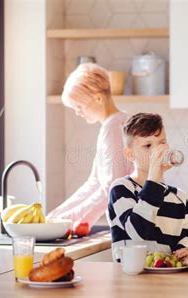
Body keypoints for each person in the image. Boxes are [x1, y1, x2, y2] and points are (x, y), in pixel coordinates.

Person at [47, 63, 133, 231]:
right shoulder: (116, 123)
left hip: (131, 224)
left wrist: (66, 220)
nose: (78, 113)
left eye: (79, 106)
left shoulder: (113, 129)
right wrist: (56, 216)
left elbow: (111, 188)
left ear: (99, 98)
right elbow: (94, 182)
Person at [107, 113, 188, 262]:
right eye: (147, 146)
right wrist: (153, 178)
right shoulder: (121, 189)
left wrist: (184, 250)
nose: (157, 152)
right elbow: (138, 232)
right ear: (129, 154)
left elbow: (187, 235)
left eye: (161, 143)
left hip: (167, 278)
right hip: (131, 279)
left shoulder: (179, 197)